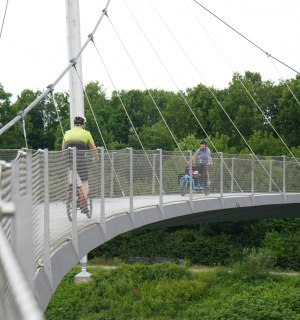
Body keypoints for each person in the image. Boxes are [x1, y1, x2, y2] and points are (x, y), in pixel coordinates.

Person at [62, 116, 97, 212]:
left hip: (69, 159)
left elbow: (63, 150)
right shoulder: (86, 133)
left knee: (70, 176)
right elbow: (93, 148)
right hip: (81, 160)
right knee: (85, 182)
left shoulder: (67, 133)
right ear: (84, 124)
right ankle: (83, 203)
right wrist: (96, 158)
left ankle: (69, 192)